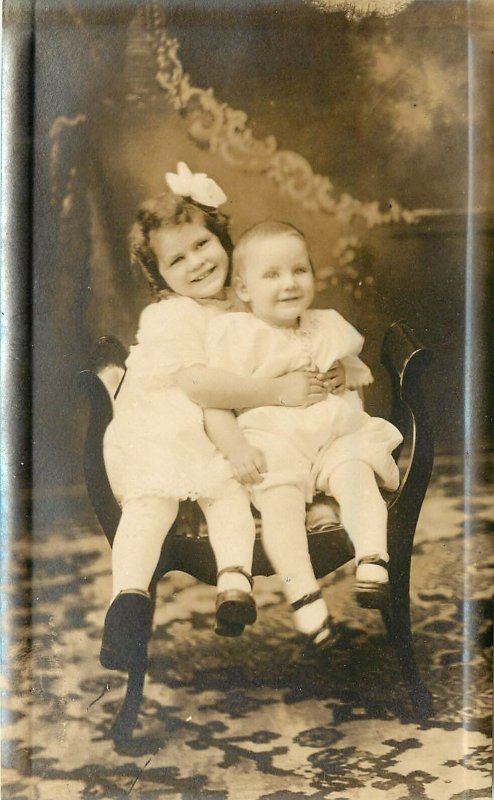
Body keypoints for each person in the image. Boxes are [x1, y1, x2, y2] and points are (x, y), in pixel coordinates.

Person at [100, 165, 334, 672]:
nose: (196, 263)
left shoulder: (245, 300)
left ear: (222, 240)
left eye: (202, 244)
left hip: (223, 432)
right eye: (176, 259)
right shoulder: (170, 315)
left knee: (228, 488)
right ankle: (129, 601)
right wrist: (277, 391)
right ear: (159, 277)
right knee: (153, 499)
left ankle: (235, 583)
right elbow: (198, 384)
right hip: (169, 426)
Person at [204, 221, 403, 650]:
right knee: (280, 505)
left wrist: (340, 375)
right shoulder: (236, 333)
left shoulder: (326, 324)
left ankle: (373, 561)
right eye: (271, 275)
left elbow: (354, 377)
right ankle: (306, 599)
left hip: (332, 434)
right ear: (243, 289)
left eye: (299, 270)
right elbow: (218, 397)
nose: (289, 283)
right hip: (274, 440)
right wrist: (237, 447)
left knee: (357, 472)